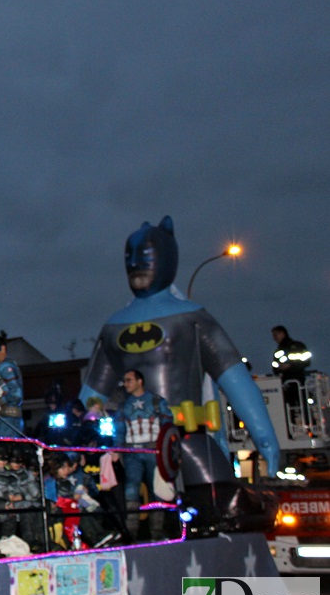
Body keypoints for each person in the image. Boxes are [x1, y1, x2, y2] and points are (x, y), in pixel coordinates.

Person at [77, 216, 280, 480]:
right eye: (130, 256)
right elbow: (92, 396)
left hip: (175, 438)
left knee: (205, 501)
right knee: (212, 503)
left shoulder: (190, 319)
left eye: (145, 255)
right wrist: (264, 439)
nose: (136, 263)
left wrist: (265, 439)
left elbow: (235, 380)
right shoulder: (119, 327)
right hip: (158, 442)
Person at [117, 369, 172, 541]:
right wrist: (117, 449)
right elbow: (119, 430)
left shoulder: (156, 401)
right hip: (132, 452)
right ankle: (131, 532)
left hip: (153, 450)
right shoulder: (123, 406)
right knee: (131, 490)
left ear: (139, 381)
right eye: (124, 380)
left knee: (156, 490)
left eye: (129, 380)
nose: (125, 384)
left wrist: (167, 450)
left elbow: (168, 426)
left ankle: (156, 532)